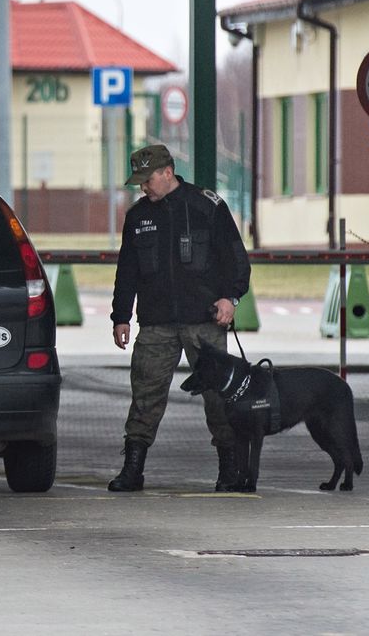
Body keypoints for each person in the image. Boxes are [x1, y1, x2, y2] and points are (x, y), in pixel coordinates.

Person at [108, 144, 251, 493]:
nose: (144, 187)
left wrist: (231, 297)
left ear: (168, 172)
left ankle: (229, 470)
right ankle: (133, 469)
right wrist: (121, 316)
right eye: (140, 181)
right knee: (145, 396)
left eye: (148, 179)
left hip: (204, 321)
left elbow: (236, 259)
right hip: (156, 323)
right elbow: (127, 271)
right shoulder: (138, 216)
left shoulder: (207, 206)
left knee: (218, 397)